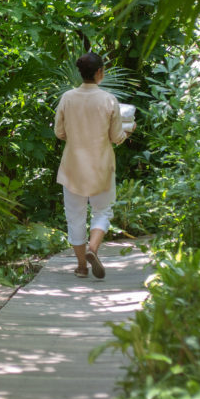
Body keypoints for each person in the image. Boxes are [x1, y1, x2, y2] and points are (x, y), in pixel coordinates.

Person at [53, 52, 133, 279]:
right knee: (102, 211)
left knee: (75, 217)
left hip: (72, 168)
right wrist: (128, 131)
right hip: (101, 166)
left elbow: (59, 132)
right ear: (99, 72)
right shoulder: (109, 100)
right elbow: (116, 136)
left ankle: (81, 266)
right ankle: (93, 249)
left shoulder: (67, 98)